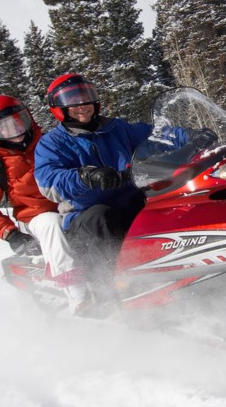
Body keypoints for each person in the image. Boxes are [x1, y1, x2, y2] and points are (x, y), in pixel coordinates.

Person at [33, 74, 155, 298]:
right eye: (72, 101)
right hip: (84, 215)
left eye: (86, 97)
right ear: (59, 107)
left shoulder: (117, 128)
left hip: (132, 199)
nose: (82, 106)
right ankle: (113, 292)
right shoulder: (52, 143)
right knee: (103, 217)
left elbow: (154, 135)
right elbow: (49, 179)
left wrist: (187, 136)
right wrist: (85, 177)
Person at [0, 94, 88, 312]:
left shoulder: (50, 141)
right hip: (35, 217)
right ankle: (77, 294)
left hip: (72, 204)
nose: (12, 130)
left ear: (27, 117)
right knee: (51, 223)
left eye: (16, 121)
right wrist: (10, 233)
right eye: (1, 127)